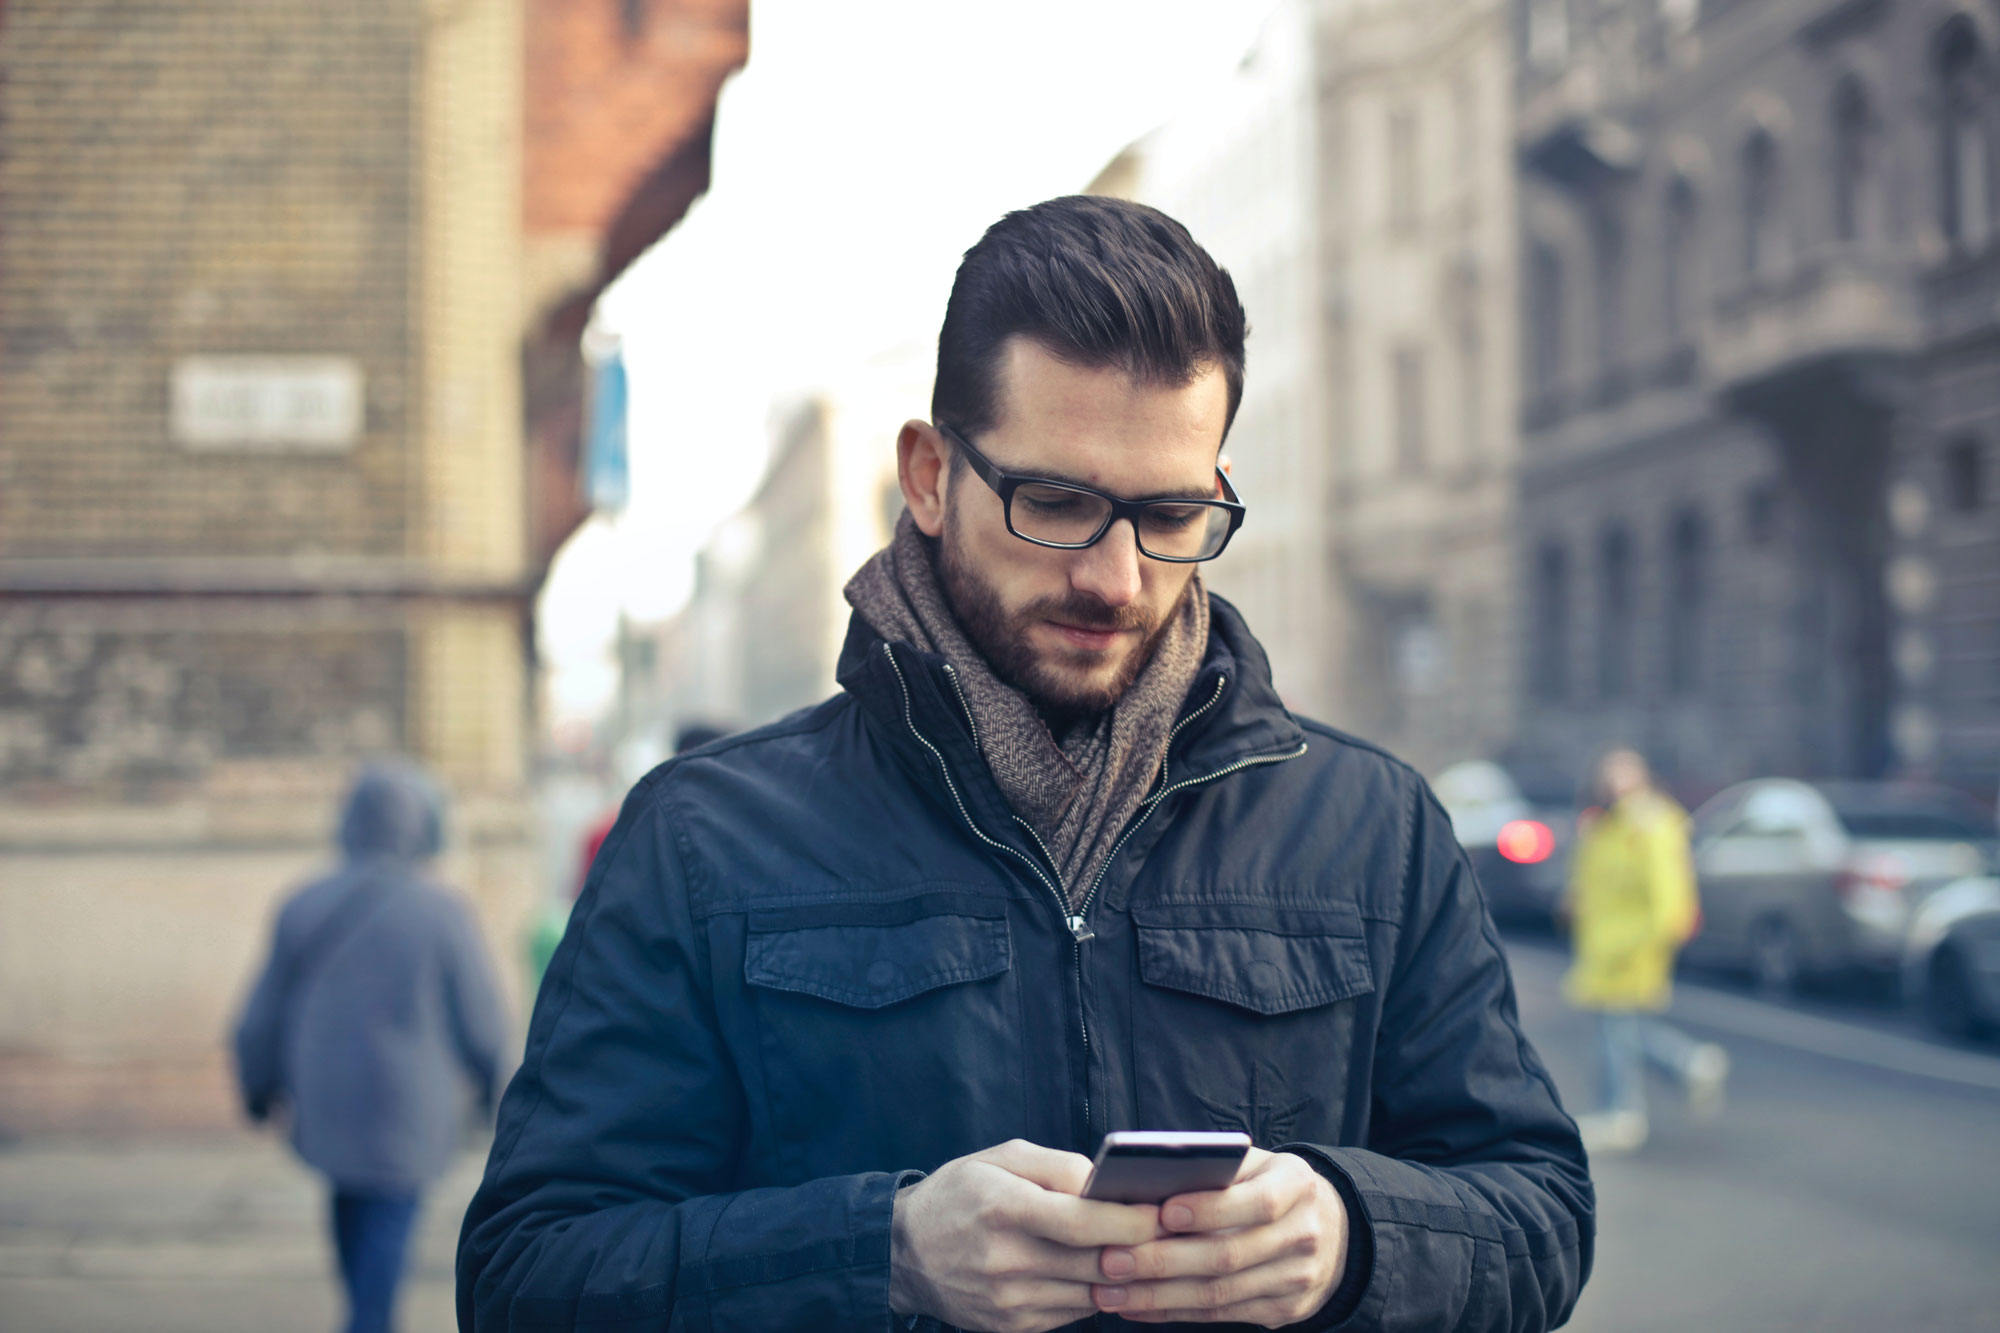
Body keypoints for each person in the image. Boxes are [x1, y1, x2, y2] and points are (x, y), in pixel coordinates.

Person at [458, 196, 1591, 1332]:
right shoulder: (701, 836)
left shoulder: (1372, 822)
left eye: (1170, 514)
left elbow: (1539, 1214)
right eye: (1055, 502)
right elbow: (527, 1276)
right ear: (927, 475)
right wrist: (882, 1253)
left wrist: (1350, 1234)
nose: (1115, 576)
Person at [233, 760, 509, 1333]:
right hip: (408, 1107)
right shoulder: (442, 912)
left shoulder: (304, 903)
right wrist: (496, 1090)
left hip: (327, 1098)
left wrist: (257, 1084)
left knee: (351, 1207)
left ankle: (364, 1314)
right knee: (386, 1224)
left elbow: (261, 1013)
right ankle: (368, 1319)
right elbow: (481, 1018)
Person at [1563, 748, 1729, 1154]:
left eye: (1622, 775)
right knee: (1620, 1029)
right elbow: (1590, 880)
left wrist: (1647, 939)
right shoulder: (1607, 824)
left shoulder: (1651, 824)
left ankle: (1620, 1111)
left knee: (1614, 1029)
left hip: (1630, 946)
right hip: (1604, 944)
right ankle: (1688, 1063)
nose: (1613, 785)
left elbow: (1668, 900)